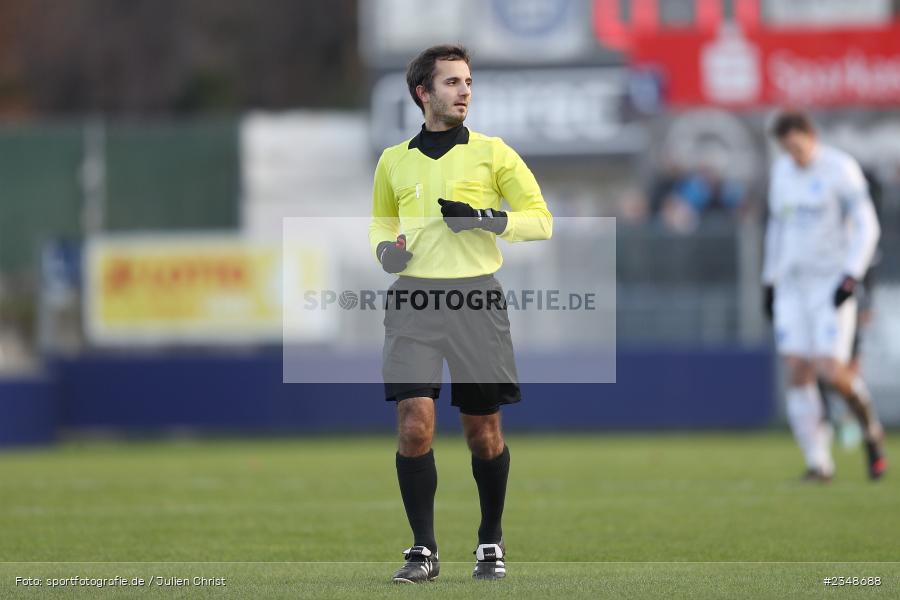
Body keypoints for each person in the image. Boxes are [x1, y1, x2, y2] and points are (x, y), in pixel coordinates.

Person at [368, 44, 552, 583]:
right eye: (451, 82)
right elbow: (381, 225)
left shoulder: (494, 153)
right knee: (413, 423)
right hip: (413, 300)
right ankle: (422, 551)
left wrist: (487, 221)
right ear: (423, 93)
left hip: (476, 299)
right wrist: (386, 253)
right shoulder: (393, 159)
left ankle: (490, 543)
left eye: (467, 81)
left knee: (483, 432)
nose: (464, 90)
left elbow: (540, 220)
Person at [762, 110, 886, 483]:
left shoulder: (840, 170)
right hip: (792, 284)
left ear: (811, 136)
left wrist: (851, 275)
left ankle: (872, 432)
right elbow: (776, 228)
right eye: (787, 150)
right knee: (796, 367)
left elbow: (868, 226)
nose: (794, 156)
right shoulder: (781, 172)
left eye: (798, 147)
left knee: (831, 371)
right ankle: (819, 462)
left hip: (830, 283)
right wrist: (768, 281)